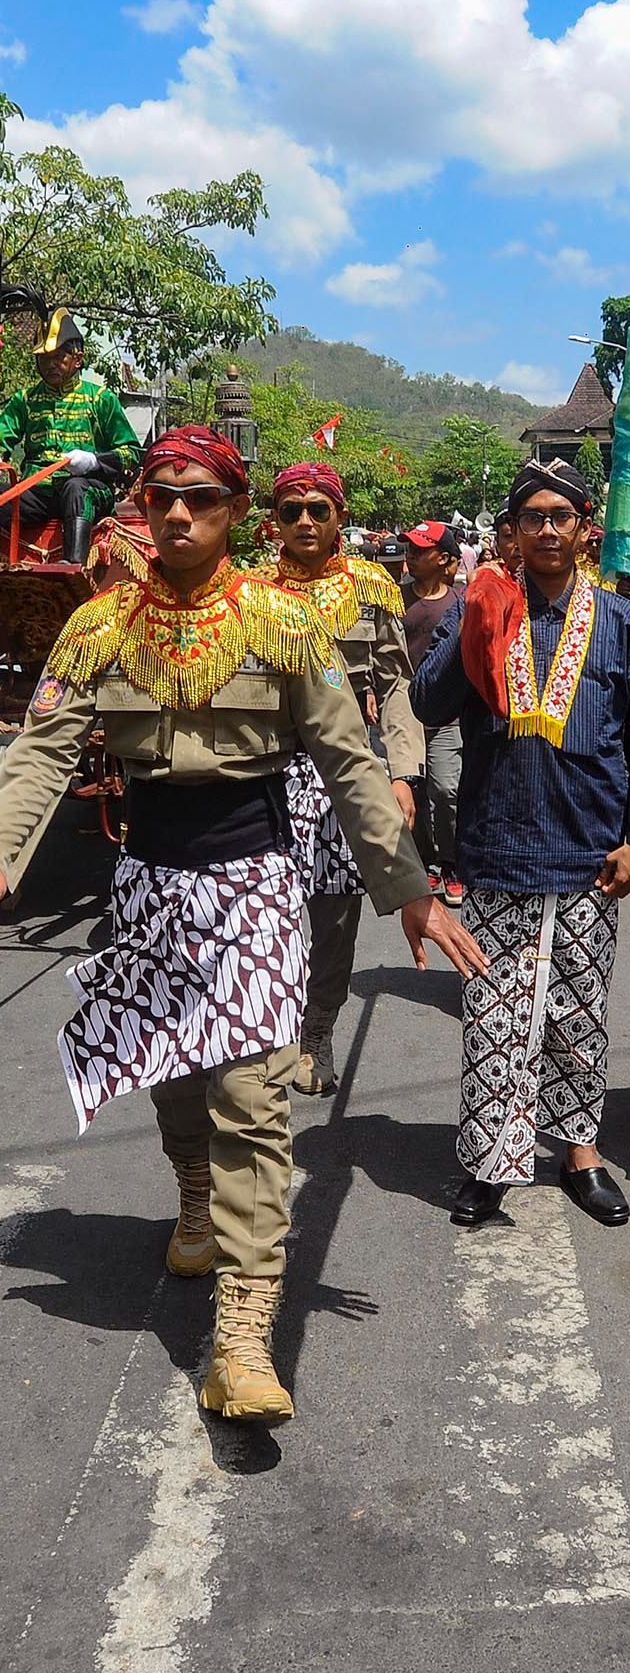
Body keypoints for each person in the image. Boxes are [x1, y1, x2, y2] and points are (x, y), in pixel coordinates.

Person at [0, 426, 485, 1422]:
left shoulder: (284, 623)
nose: (180, 514)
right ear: (142, 502)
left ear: (234, 512)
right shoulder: (96, 625)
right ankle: (191, 1194)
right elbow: (43, 749)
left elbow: (350, 760)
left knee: (253, 1100)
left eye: (203, 499)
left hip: (256, 884)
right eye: (163, 496)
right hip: (146, 883)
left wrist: (407, 888)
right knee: (177, 1079)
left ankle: (243, 1339)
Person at [411, 458, 630, 1230]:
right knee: (495, 1013)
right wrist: (470, 619)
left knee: (577, 1014)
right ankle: (491, 1161)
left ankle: (581, 1154)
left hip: (592, 854)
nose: (548, 528)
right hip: (495, 848)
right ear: (513, 531)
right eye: (533, 517)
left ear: (585, 528)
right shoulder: (485, 606)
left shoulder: (622, 622)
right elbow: (427, 703)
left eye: (562, 515)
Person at [267, 461, 425, 1095]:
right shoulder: (246, 593)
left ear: (340, 517)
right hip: (267, 772)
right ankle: (267, 1033)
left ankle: (317, 1031)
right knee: (266, 913)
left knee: (333, 915)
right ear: (273, 522)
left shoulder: (372, 588)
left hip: (346, 774)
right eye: (291, 511)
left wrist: (404, 774)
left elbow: (395, 687)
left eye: (319, 509)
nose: (305, 520)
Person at [0, 305, 140, 567]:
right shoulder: (25, 400)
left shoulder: (101, 399)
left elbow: (132, 454)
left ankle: (73, 567)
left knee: (76, 489)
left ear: (77, 359)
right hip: (36, 492)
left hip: (89, 490)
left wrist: (94, 461)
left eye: (58, 357)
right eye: (43, 358)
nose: (50, 364)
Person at [402, 520, 465, 905]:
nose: (411, 556)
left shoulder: (460, 602)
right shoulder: (395, 598)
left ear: (445, 560)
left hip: (447, 715)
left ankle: (453, 863)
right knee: (414, 793)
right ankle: (426, 863)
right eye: (409, 549)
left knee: (445, 789)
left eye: (420, 550)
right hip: (405, 715)